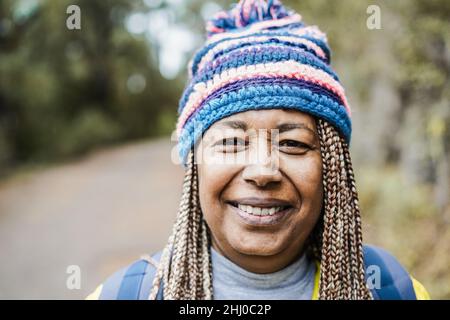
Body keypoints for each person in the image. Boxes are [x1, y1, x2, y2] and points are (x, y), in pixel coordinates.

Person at [87, 0, 430, 300]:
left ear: (332, 165)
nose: (263, 171)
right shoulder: (125, 295)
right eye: (231, 143)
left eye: (293, 143)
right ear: (196, 163)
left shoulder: (392, 290)